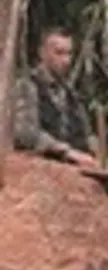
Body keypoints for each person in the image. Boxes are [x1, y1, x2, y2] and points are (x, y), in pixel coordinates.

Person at [11, 27, 100, 168]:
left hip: (76, 167)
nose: (66, 60)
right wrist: (65, 151)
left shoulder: (72, 96)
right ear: (42, 53)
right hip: (41, 167)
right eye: (59, 53)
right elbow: (25, 134)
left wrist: (98, 155)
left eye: (69, 54)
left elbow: (88, 134)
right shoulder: (27, 87)